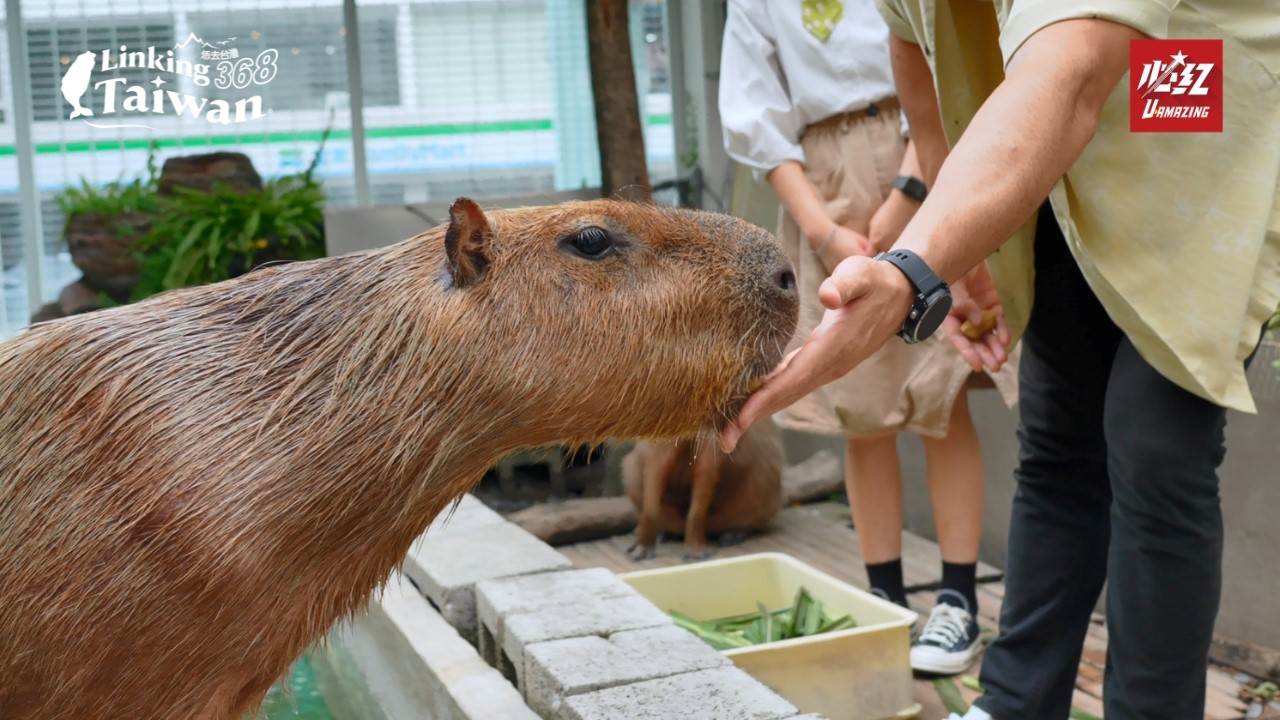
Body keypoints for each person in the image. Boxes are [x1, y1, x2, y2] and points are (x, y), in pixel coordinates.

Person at [722, 2, 1278, 718]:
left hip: (1187, 87)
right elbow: (915, 54)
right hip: (1050, 124)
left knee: (1154, 441)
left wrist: (909, 269)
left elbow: (1073, 76)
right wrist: (959, 247)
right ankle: (1015, 702)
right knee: (1056, 428)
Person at [717, 0, 1017, 675]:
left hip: (926, 148)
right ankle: (885, 601)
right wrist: (820, 231)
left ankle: (958, 602)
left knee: (941, 397)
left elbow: (935, 56)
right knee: (860, 412)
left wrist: (909, 193)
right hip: (820, 183)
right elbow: (755, 112)